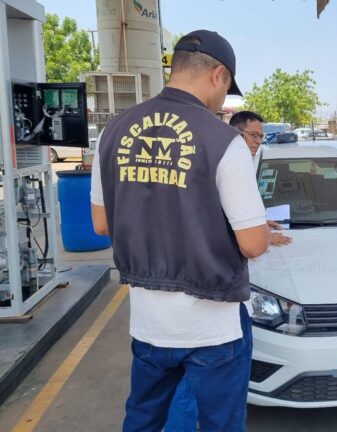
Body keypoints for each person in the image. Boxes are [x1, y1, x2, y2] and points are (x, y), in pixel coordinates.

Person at [90, 30, 270, 432]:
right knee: (220, 424)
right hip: (214, 325)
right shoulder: (225, 141)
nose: (224, 101)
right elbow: (254, 243)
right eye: (227, 89)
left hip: (149, 322)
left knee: (143, 419)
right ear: (217, 74)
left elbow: (102, 223)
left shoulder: (113, 132)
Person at [229, 111, 292, 247]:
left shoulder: (246, 161)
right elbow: (227, 216)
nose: (258, 141)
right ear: (234, 131)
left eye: (260, 137)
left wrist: (260, 224)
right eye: (253, 135)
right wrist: (265, 237)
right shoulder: (225, 166)